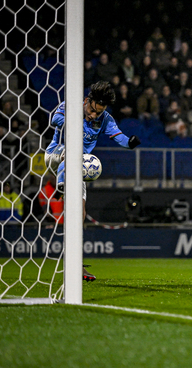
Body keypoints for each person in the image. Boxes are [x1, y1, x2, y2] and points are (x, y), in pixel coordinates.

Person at [45, 81, 141, 281]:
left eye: (98, 113)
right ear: (87, 101)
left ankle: (75, 266)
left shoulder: (104, 118)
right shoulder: (71, 107)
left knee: (80, 214)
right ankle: (61, 182)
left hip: (77, 166)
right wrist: (75, 120)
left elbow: (118, 136)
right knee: (70, 153)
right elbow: (54, 120)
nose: (93, 115)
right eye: (92, 110)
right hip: (56, 154)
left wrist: (130, 143)